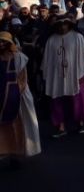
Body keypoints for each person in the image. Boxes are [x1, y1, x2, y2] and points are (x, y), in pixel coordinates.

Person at [42, 15, 84, 137]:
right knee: (57, 100)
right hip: (57, 75)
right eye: (60, 24)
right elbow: (47, 60)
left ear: (69, 24)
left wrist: (83, 73)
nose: (63, 26)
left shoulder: (77, 37)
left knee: (77, 99)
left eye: (65, 23)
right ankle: (61, 126)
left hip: (75, 74)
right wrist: (48, 75)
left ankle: (80, 123)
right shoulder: (51, 40)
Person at [0, 31, 41, 167]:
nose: (1, 44)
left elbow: (23, 78)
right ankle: (3, 152)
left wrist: (16, 94)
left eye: (3, 41)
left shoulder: (18, 58)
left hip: (15, 97)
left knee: (16, 126)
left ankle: (15, 154)